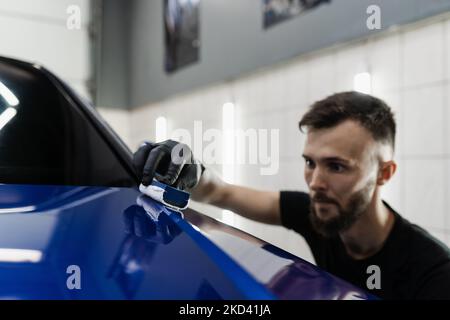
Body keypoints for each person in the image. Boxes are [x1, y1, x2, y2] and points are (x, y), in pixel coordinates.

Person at [133, 91, 450, 300]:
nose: (315, 182)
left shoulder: (434, 271)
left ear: (385, 173)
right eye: (310, 163)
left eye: (336, 167)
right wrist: (186, 170)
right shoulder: (318, 211)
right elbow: (220, 191)